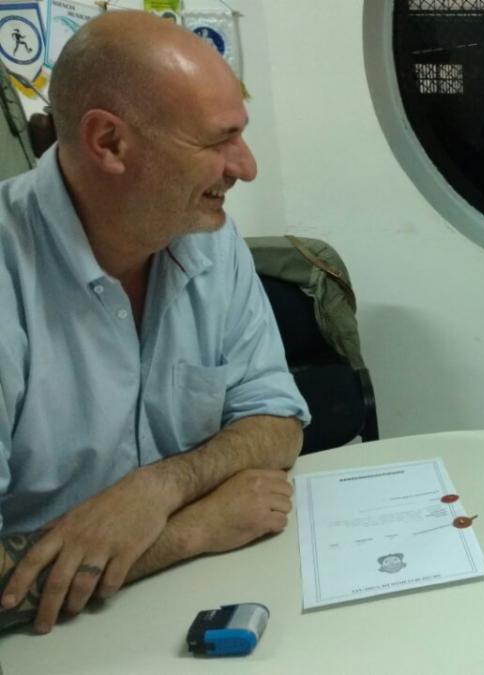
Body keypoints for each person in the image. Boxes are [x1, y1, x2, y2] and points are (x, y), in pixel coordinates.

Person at [0, 12, 309, 633]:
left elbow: (277, 421)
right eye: (218, 140)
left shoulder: (209, 238)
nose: (245, 167)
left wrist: (159, 489)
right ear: (109, 142)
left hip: (179, 605)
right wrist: (187, 531)